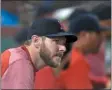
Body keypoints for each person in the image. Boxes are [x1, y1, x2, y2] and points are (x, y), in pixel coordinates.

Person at [1, 18, 77, 89]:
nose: (63, 48)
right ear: (36, 41)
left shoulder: (22, 60)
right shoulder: (20, 63)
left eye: (63, 43)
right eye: (56, 41)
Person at [57, 14, 109, 89]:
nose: (102, 38)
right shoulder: (77, 61)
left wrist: (105, 82)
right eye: (98, 34)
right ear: (84, 35)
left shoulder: (69, 54)